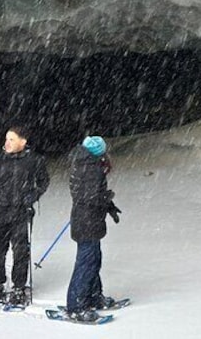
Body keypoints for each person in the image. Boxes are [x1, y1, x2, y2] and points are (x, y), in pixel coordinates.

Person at [0, 126, 50, 305]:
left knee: (20, 252)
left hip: (20, 212)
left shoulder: (34, 160)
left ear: (23, 141)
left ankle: (19, 286)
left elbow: (43, 181)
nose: (7, 142)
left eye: (11, 139)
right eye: (6, 139)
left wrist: (33, 196)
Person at [65, 135, 122, 322]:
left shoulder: (87, 164)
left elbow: (93, 194)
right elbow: (90, 197)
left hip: (90, 221)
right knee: (86, 263)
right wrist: (106, 199)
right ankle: (76, 306)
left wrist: (109, 205)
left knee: (94, 260)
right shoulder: (88, 168)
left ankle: (93, 296)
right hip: (86, 222)